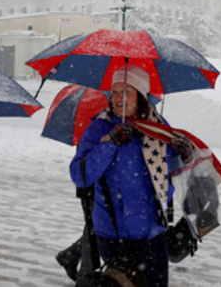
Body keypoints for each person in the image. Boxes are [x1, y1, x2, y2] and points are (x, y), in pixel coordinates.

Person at [69, 65, 190, 287]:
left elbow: (169, 174)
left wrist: (183, 154)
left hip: (154, 234)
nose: (118, 98)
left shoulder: (158, 127)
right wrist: (110, 144)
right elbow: (80, 175)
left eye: (126, 91)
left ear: (141, 96)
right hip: (115, 236)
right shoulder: (100, 128)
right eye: (115, 91)